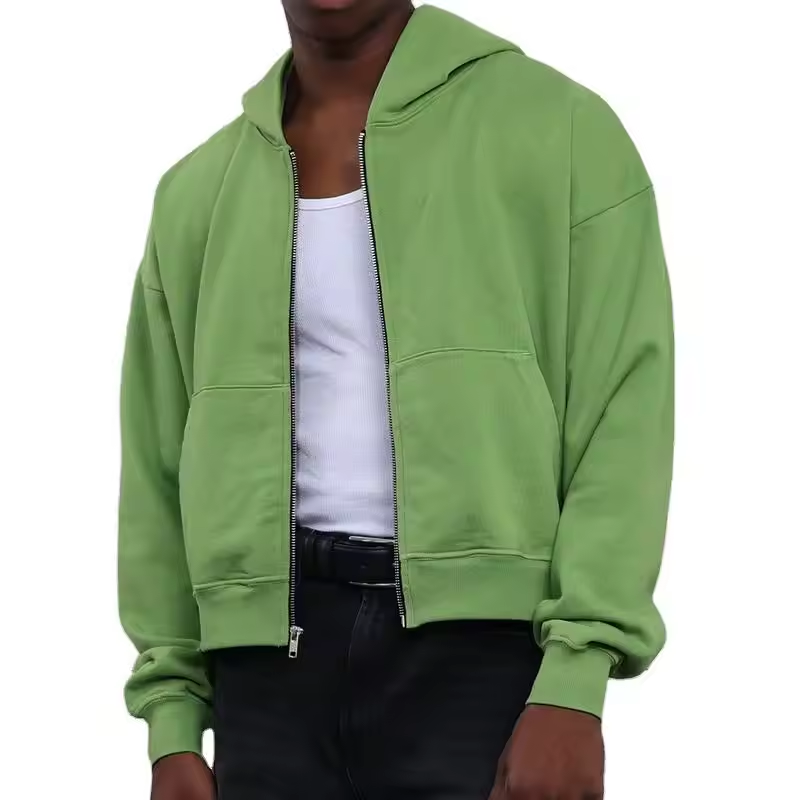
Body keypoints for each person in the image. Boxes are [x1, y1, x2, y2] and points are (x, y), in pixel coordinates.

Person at [118, 2, 674, 798]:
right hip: (265, 670)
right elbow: (157, 464)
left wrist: (576, 677)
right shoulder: (196, 193)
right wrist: (171, 723)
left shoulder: (560, 132)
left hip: (485, 658)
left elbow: (623, 415)